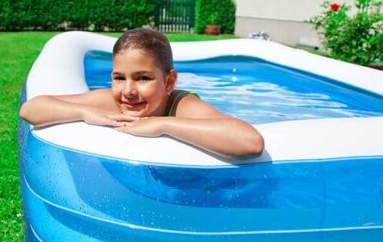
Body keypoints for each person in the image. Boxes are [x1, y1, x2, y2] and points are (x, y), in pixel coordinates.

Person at [19, 28, 265, 158]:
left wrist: (162, 124)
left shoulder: (181, 106)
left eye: (143, 78)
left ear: (169, 82)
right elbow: (30, 109)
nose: (128, 91)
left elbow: (250, 141)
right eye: (119, 78)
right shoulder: (111, 103)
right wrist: (85, 113)